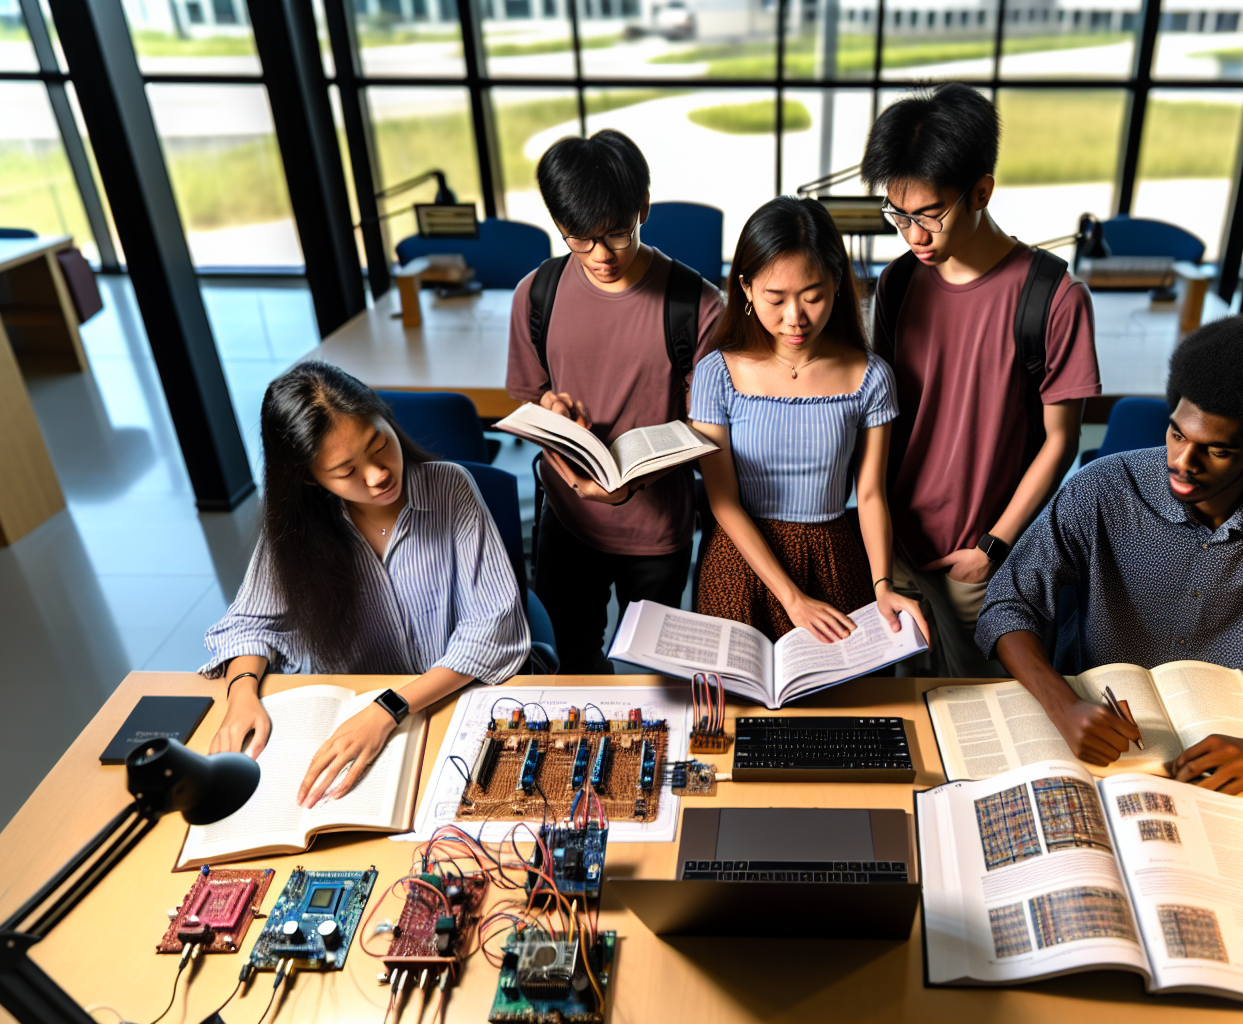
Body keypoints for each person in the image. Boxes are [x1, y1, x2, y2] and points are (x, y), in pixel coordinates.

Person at [977, 314, 1243, 794]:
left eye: (1216, 450)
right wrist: (1062, 704)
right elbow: (1006, 605)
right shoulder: (1101, 489)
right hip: (1096, 741)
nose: (1182, 463)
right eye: (1178, 433)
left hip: (1239, 757)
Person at [202, 361, 530, 808]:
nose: (377, 475)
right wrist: (241, 693)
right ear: (308, 477)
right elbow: (249, 624)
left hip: (444, 705)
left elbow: (491, 634)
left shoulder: (451, 489)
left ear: (386, 418)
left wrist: (389, 708)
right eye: (345, 471)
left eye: (379, 445)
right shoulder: (296, 528)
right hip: (346, 722)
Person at [859, 82, 1101, 677]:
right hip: (895, 548)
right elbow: (879, 415)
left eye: (929, 215)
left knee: (981, 712)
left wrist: (992, 548)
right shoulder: (898, 284)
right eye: (898, 214)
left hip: (979, 554)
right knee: (907, 710)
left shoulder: (1052, 296)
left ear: (981, 192)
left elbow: (1061, 442)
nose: (913, 235)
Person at [505, 128, 724, 673]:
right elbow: (528, 395)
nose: (601, 255)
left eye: (618, 234)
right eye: (579, 238)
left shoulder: (697, 305)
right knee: (572, 661)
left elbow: (709, 430)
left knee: (653, 675)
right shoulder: (537, 293)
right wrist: (551, 415)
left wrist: (632, 483)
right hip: (565, 518)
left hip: (656, 531)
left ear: (643, 207)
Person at [688, 195, 928, 643]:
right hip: (742, 561)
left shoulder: (870, 376)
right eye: (775, 299)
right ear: (745, 288)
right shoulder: (716, 374)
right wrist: (791, 598)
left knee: (846, 705)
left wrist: (883, 586)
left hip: (835, 557)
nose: (794, 318)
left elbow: (872, 495)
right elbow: (723, 501)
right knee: (740, 707)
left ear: (837, 284)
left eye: (813, 297)